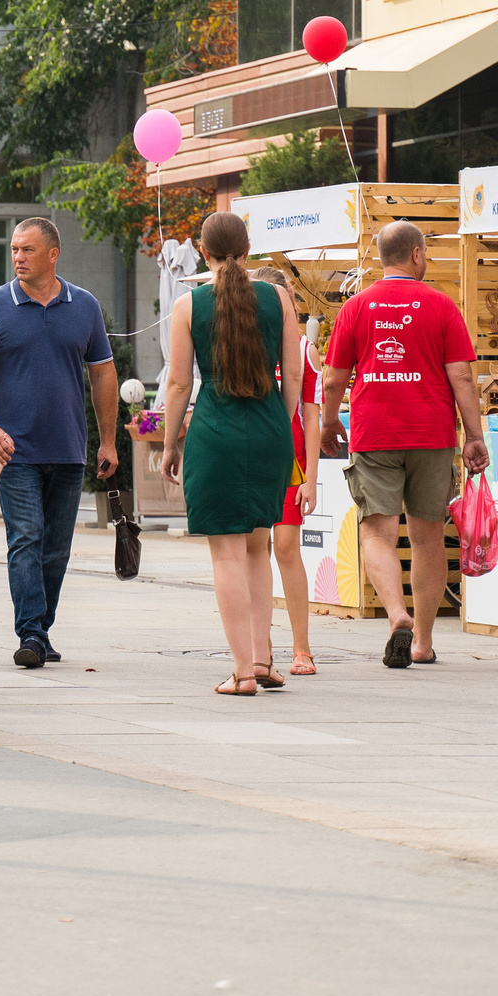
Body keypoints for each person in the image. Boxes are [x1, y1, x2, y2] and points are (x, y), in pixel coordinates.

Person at [321, 219, 488, 669]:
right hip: (431, 433)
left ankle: (398, 614)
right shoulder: (440, 305)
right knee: (427, 536)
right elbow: (462, 376)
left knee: (377, 531)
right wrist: (474, 435)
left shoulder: (356, 307)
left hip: (374, 432)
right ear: (416, 254)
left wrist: (328, 422)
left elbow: (334, 377)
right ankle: (424, 642)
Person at [163, 213, 300, 696]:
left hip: (215, 430)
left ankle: (242, 672)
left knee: (226, 554)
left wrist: (168, 444)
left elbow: (180, 383)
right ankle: (263, 659)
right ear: (247, 248)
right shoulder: (279, 298)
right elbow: (294, 375)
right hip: (269, 429)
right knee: (258, 546)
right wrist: (280, 427)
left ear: (203, 251)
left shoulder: (188, 305)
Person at [0, 216, 119, 668]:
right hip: (13, 452)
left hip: (69, 449)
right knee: (25, 539)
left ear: (53, 254)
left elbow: (103, 375)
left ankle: (40, 629)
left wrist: (109, 442)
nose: (17, 257)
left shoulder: (85, 306)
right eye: (15, 249)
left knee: (57, 548)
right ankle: (32, 633)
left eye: (28, 250)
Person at [252, 267, 317, 676]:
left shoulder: (303, 346)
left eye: (285, 295)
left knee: (287, 548)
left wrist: (311, 478)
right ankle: (262, 645)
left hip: (290, 460)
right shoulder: (246, 340)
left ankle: (302, 648)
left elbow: (311, 415)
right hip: (254, 454)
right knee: (253, 550)